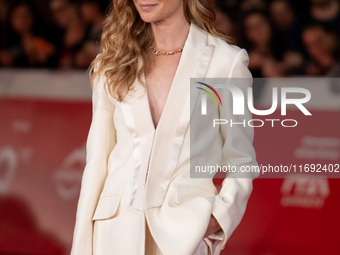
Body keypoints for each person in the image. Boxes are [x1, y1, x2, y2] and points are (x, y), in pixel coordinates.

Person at [71, 0, 258, 255]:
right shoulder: (113, 62)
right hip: (113, 233)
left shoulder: (226, 62)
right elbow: (97, 165)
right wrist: (81, 248)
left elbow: (242, 161)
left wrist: (215, 219)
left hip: (183, 236)